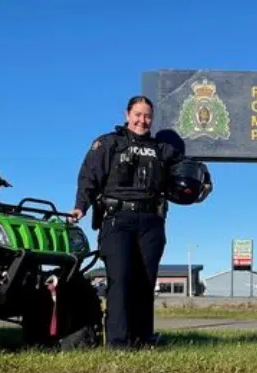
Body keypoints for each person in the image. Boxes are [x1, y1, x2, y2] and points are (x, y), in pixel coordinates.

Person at [69, 95, 212, 349]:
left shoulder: (162, 150)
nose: (142, 120)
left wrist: (204, 181)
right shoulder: (108, 143)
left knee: (145, 281)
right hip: (117, 219)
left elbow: (190, 167)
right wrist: (80, 207)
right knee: (121, 279)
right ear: (127, 114)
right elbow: (88, 177)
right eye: (137, 114)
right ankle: (118, 342)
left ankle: (143, 338)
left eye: (147, 116)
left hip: (151, 222)